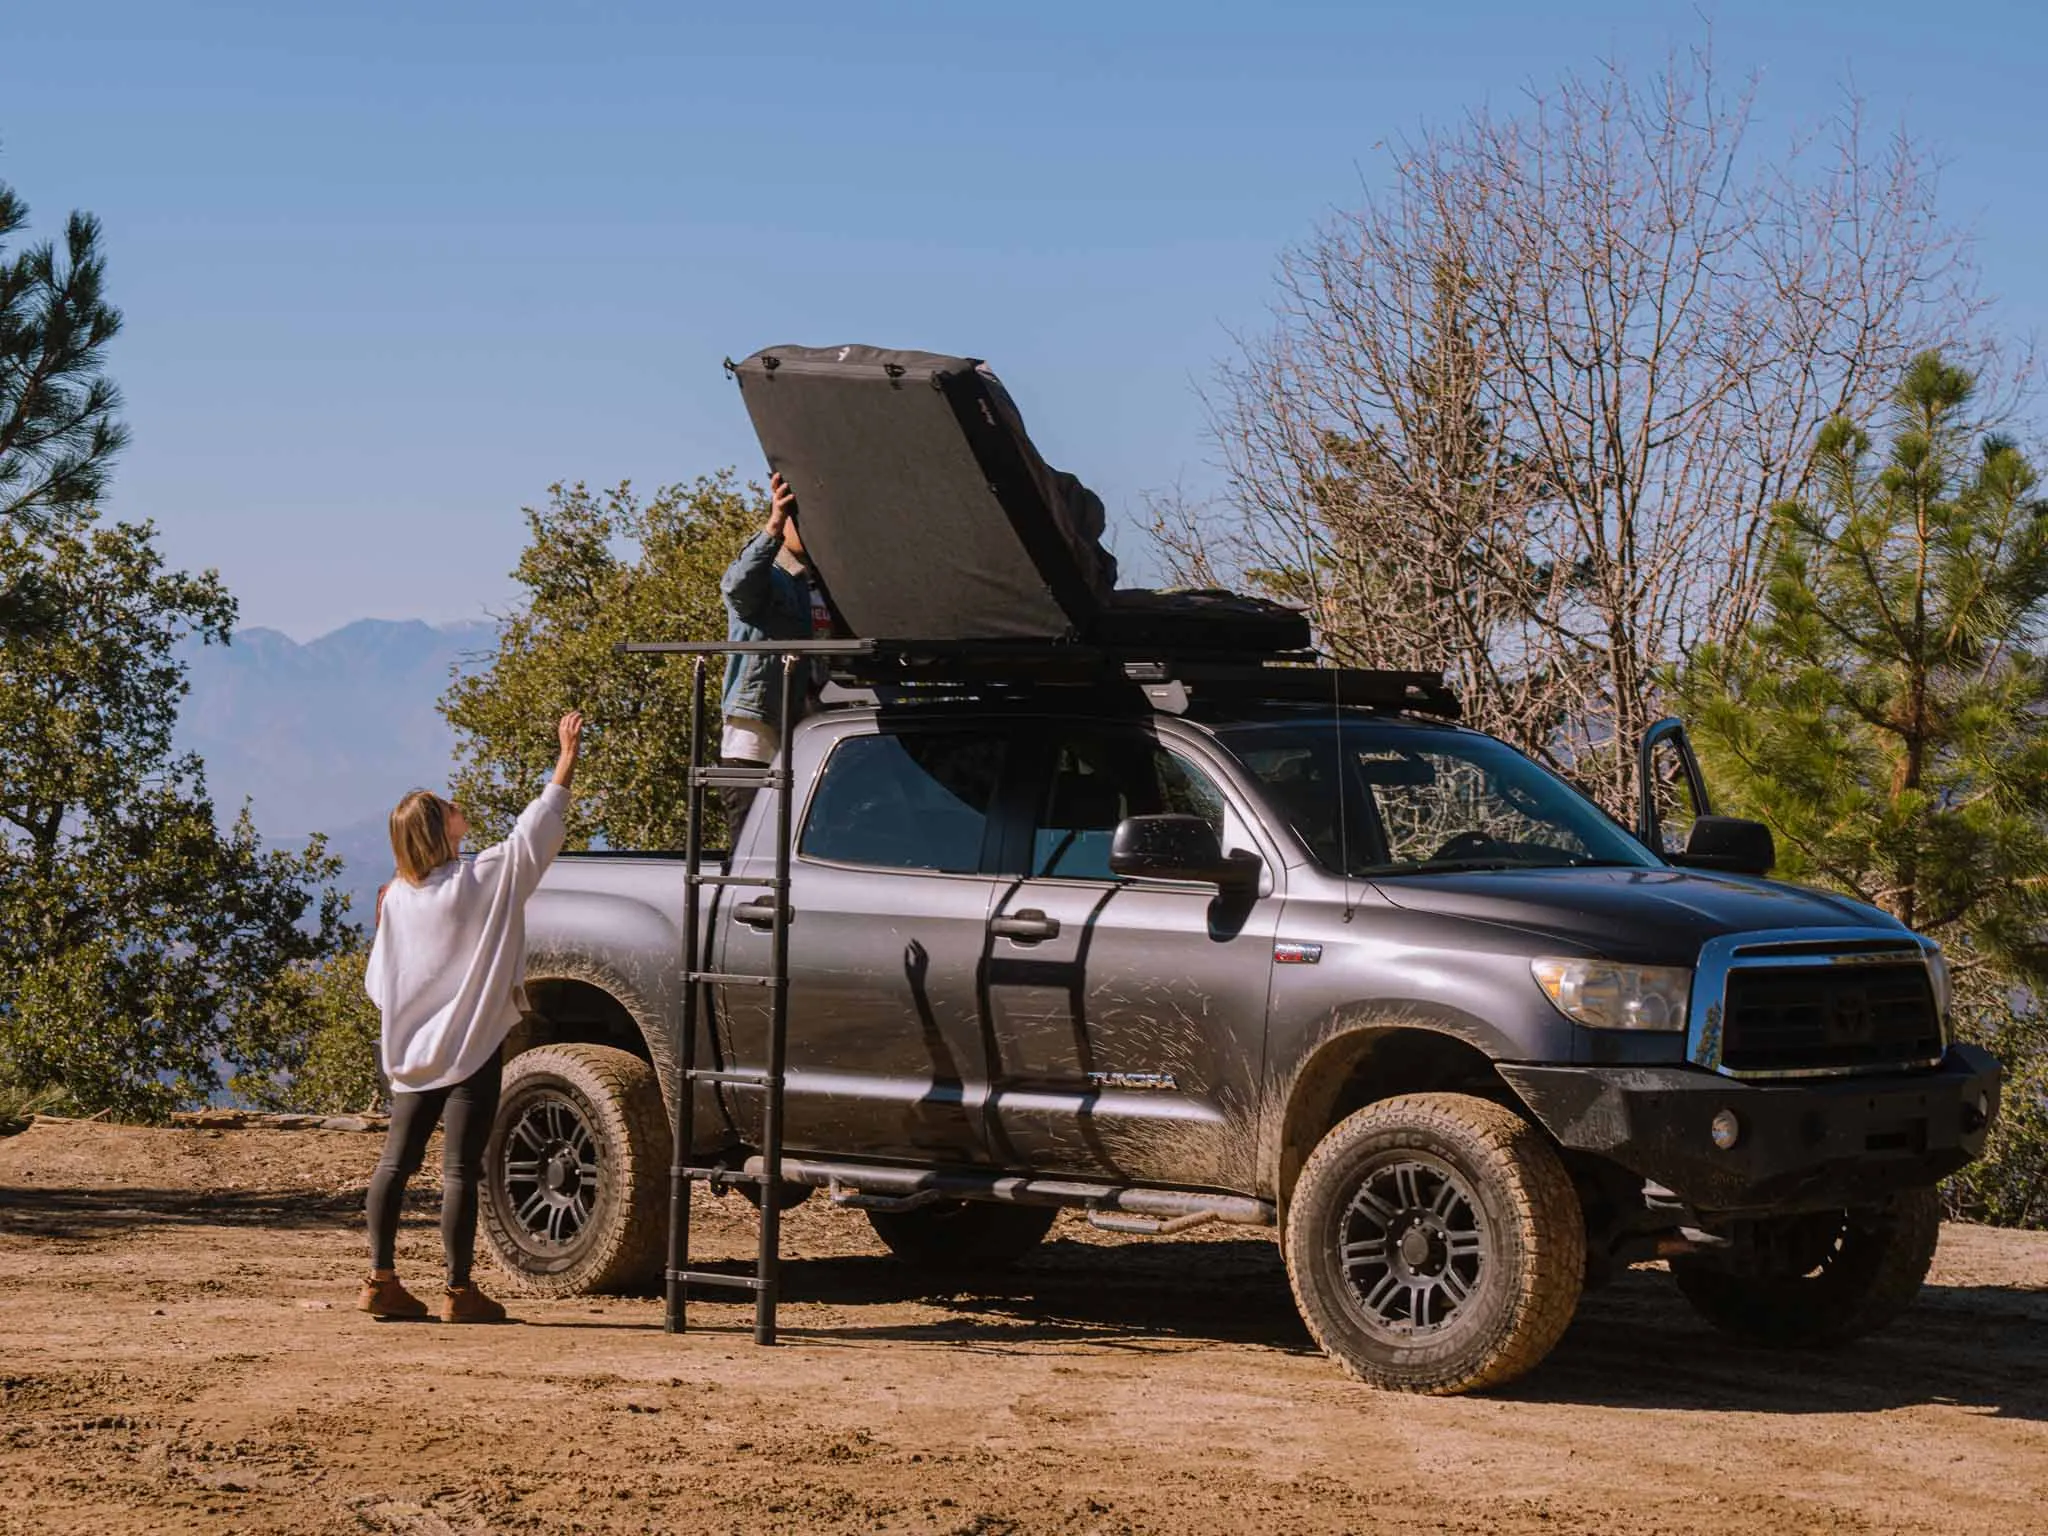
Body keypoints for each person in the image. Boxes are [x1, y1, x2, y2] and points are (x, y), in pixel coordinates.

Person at [356, 710, 584, 1323]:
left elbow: (381, 984)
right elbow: (534, 834)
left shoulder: (396, 898)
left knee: (395, 1163)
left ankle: (379, 1279)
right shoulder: (481, 879)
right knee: (461, 1168)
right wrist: (564, 759)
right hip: (472, 1050)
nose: (460, 807)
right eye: (449, 806)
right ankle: (460, 1292)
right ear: (441, 828)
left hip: (412, 1053)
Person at [718, 470, 830, 836]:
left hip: (805, 728)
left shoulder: (820, 583)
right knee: (751, 843)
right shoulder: (770, 574)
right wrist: (773, 526)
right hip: (755, 733)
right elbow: (736, 586)